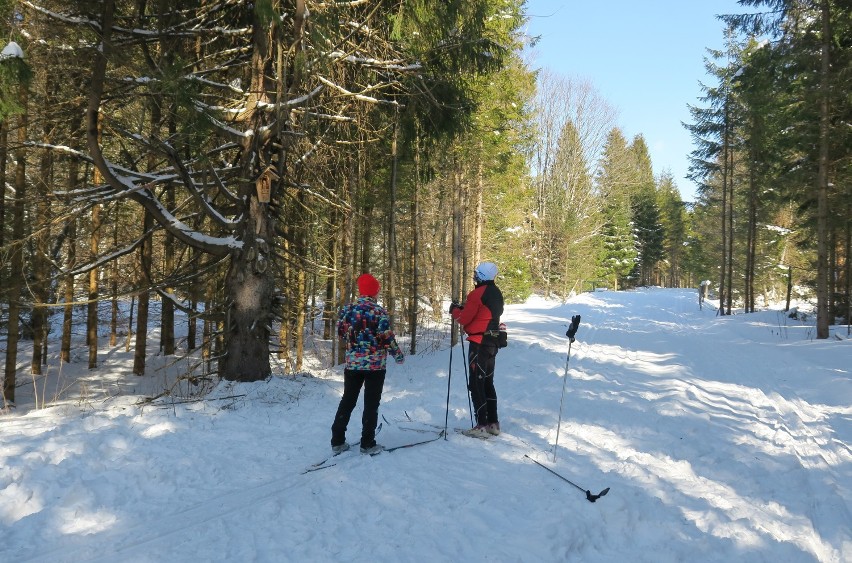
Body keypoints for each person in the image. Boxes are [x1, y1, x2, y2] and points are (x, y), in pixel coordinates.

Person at [331, 273, 404, 454]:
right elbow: (386, 337)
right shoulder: (379, 311)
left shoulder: (347, 310)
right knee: (371, 403)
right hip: (375, 366)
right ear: (374, 292)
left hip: (353, 364)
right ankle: (367, 443)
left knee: (348, 400)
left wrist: (354, 344)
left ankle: (337, 441)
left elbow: (341, 333)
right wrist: (398, 354)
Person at [450, 261, 504, 438]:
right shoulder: (496, 293)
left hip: (479, 343)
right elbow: (482, 314)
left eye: (476, 273)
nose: (474, 276)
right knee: (487, 383)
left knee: (476, 384)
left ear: (481, 275)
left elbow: (464, 319)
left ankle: (481, 425)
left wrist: (456, 311)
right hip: (492, 343)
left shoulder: (477, 294)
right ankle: (493, 423)